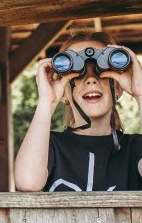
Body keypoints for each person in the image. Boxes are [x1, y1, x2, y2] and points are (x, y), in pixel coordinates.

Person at [14, 30, 142, 192]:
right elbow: (27, 182)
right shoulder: (49, 146)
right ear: (64, 95)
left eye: (100, 71)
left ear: (117, 88)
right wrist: (47, 102)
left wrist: (140, 93)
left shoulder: (134, 148)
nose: (90, 79)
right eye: (77, 74)